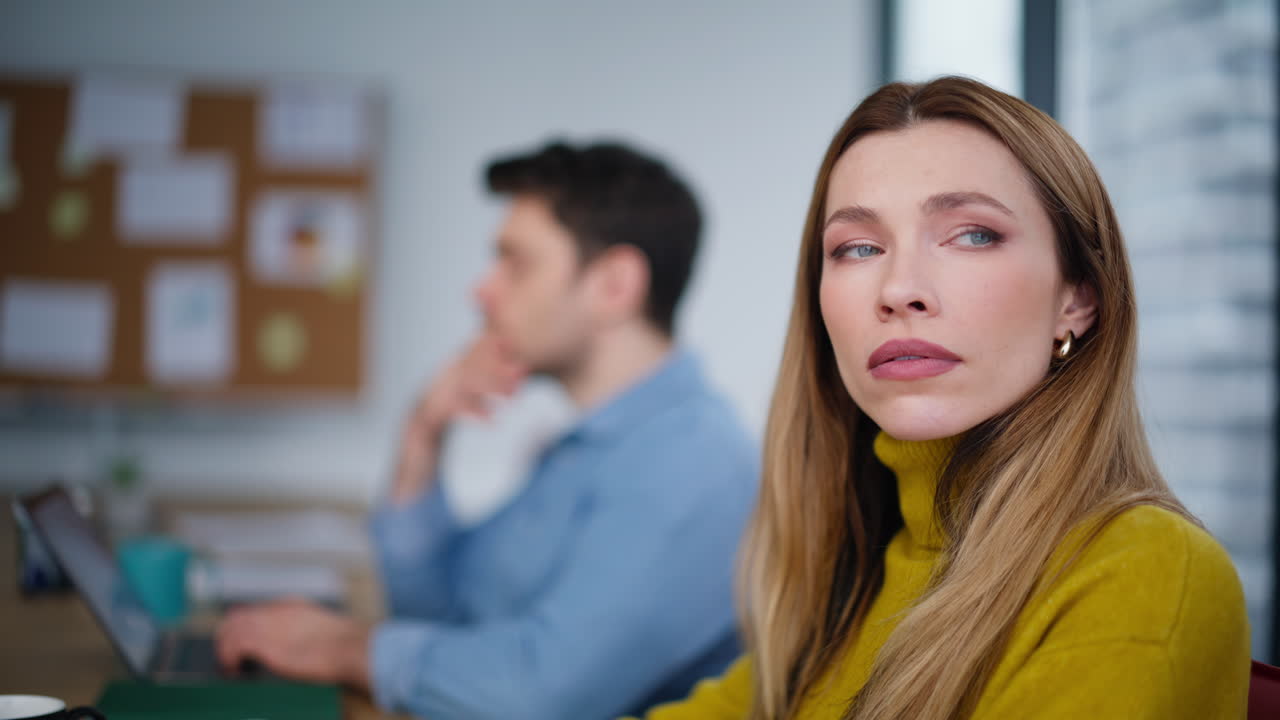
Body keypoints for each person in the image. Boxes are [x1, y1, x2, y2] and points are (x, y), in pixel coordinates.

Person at [637, 77, 1250, 720]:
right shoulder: (839, 599)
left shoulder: (1145, 572)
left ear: (1077, 299)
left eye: (972, 235)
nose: (899, 288)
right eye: (858, 248)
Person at [216, 141, 759, 720]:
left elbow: (537, 695)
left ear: (614, 285)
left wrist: (340, 647)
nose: (482, 290)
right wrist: (423, 434)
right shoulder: (589, 446)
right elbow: (444, 615)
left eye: (515, 263)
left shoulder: (693, 463)